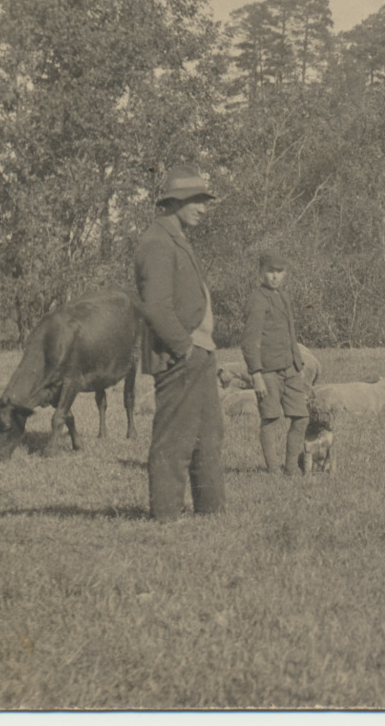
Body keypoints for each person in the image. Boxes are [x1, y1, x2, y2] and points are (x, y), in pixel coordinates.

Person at [135, 164, 225, 520]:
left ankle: (211, 512)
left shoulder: (176, 238)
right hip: (179, 356)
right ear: (173, 203)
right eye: (195, 201)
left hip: (200, 352)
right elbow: (155, 306)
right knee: (174, 439)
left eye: (204, 200)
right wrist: (184, 348)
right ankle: (166, 516)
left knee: (208, 436)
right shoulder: (156, 242)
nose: (203, 208)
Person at [241, 250, 311, 476]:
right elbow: (250, 341)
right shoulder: (257, 299)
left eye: (279, 272)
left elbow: (290, 333)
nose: (275, 277)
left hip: (290, 368)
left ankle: (290, 468)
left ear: (285, 274)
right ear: (261, 273)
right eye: (270, 271)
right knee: (270, 419)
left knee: (301, 417)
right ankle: (273, 469)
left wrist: (298, 365)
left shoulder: (283, 297)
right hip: (268, 371)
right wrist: (256, 374)